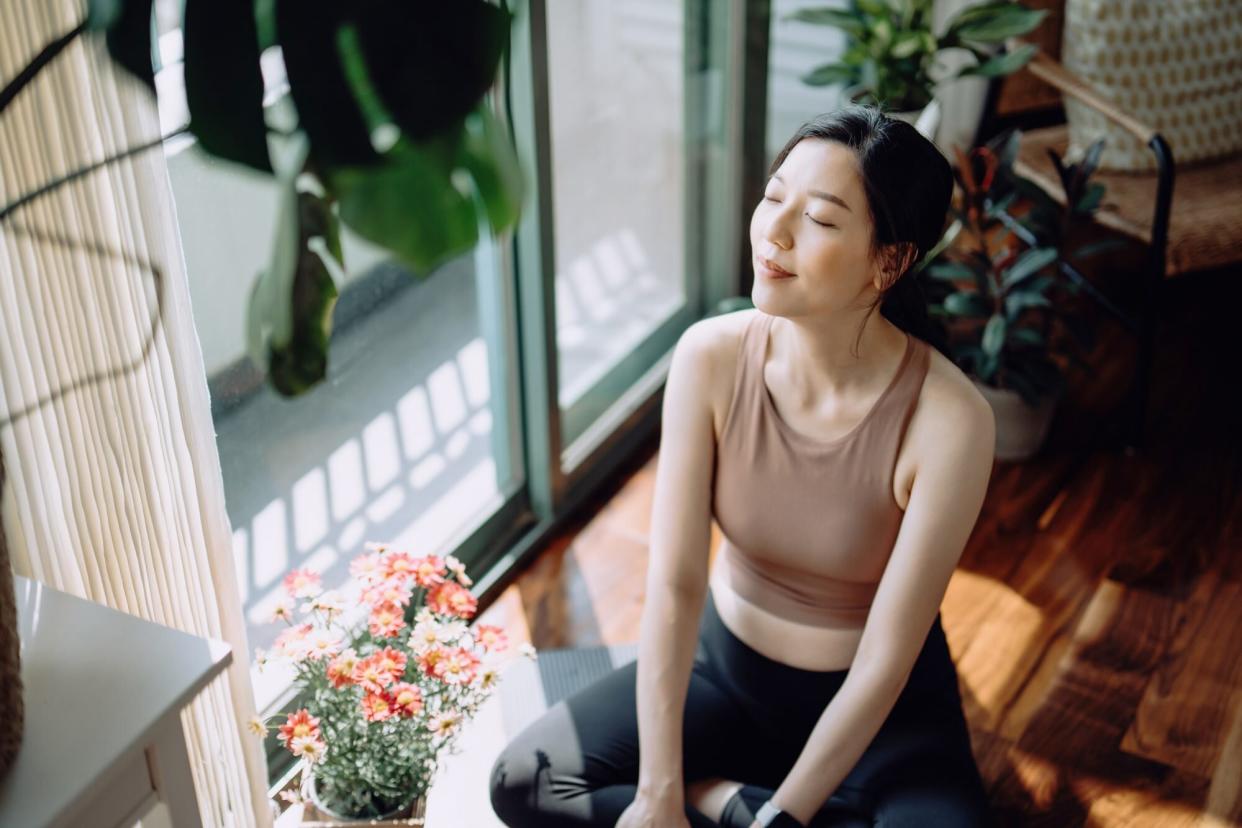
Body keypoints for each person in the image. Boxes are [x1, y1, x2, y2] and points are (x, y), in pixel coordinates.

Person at [488, 104, 998, 828]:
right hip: (725, 678)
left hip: (882, 719)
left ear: (890, 261)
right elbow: (674, 582)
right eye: (773, 196)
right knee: (525, 779)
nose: (774, 234)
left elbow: (886, 659)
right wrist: (660, 790)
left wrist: (784, 818)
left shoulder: (952, 420)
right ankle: (719, 800)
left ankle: (750, 803)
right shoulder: (711, 356)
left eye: (820, 220)